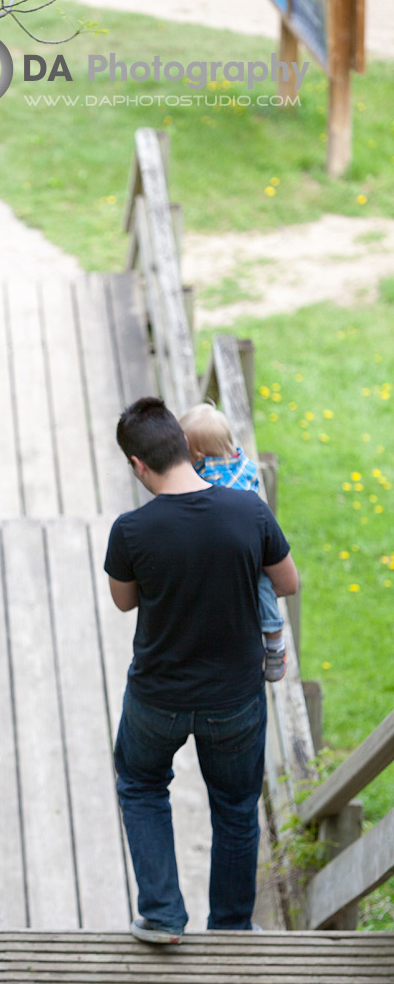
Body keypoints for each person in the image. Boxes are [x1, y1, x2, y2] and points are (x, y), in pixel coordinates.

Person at [104, 397, 298, 945]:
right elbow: (287, 583)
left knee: (141, 786)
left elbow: (124, 601)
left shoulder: (131, 530)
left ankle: (163, 914)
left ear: (138, 465)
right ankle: (232, 928)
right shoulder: (248, 511)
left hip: (156, 698)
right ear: (186, 449)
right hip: (235, 698)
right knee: (236, 809)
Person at [180, 402, 286, 680]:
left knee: (263, 589)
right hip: (246, 547)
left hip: (243, 554)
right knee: (261, 589)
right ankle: (274, 643)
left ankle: (275, 646)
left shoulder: (212, 479)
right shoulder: (241, 462)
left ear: (199, 454)